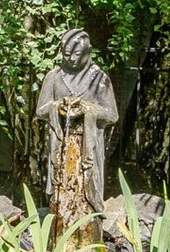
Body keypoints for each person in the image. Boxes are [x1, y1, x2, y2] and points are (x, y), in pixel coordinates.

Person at [35, 28, 118, 237]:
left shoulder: (98, 78)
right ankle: (59, 234)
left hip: (88, 148)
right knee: (61, 193)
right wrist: (57, 107)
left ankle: (89, 235)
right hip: (62, 146)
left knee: (87, 192)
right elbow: (41, 109)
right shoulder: (54, 77)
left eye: (77, 54)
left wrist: (88, 109)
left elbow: (112, 114)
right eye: (66, 54)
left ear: (88, 51)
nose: (71, 59)